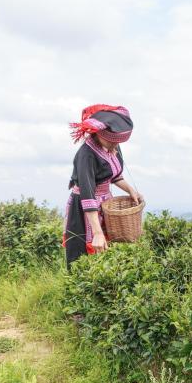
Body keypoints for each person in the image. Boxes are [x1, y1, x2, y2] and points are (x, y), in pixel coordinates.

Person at [64, 104, 142, 268]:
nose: (115, 147)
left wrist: (131, 191)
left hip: (104, 204)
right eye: (112, 142)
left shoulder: (113, 144)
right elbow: (87, 194)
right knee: (81, 255)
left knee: (106, 257)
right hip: (84, 208)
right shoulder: (86, 155)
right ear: (99, 133)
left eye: (118, 143)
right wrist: (97, 232)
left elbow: (114, 176)